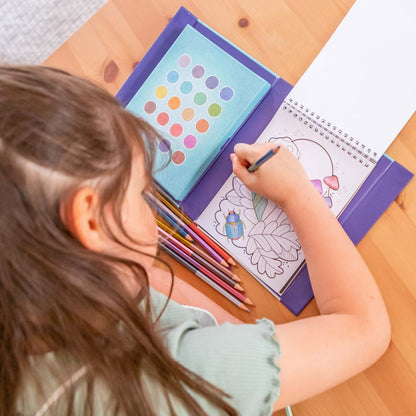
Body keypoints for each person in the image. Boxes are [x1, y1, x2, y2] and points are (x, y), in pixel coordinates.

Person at [0, 66, 391, 416]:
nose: (152, 202)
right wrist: (297, 194)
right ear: (90, 222)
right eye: (142, 193)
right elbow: (364, 328)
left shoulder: (36, 310)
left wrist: (124, 262)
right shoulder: (184, 377)